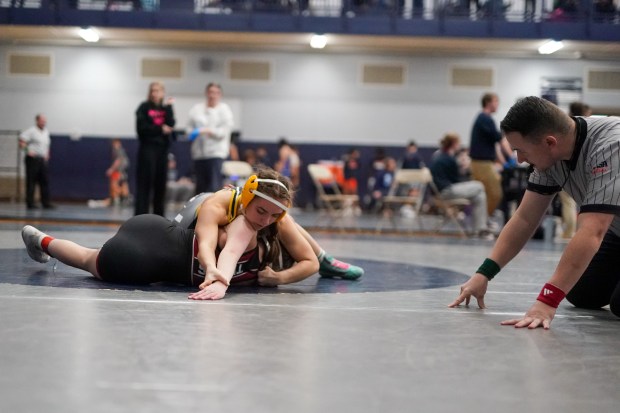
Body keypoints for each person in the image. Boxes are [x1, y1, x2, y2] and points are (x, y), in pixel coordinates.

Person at [22, 168, 363, 301]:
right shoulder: (228, 208)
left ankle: (42, 240)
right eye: (261, 211)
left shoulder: (270, 219)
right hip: (187, 222)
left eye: (274, 215)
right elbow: (215, 246)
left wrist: (278, 278)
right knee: (204, 237)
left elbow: (302, 259)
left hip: (155, 238)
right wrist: (216, 274)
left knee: (89, 258)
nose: (266, 219)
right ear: (245, 199)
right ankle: (43, 242)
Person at [449, 96, 620, 329]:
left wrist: (546, 303)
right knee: (582, 294)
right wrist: (483, 274)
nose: (519, 159)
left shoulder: (610, 146)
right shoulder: (550, 156)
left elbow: (592, 231)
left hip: (608, 229)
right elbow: (525, 218)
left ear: (549, 142)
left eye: (520, 150)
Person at [430, 133, 492, 239]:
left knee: (479, 197)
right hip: (446, 192)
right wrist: (464, 169)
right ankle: (481, 228)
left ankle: (480, 230)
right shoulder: (449, 158)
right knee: (479, 186)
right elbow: (456, 181)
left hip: (440, 192)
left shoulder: (439, 155)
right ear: (454, 144)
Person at [469, 92, 514, 218]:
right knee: (495, 194)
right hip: (481, 164)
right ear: (488, 102)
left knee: (486, 194)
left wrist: (505, 162)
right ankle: (483, 221)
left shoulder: (484, 119)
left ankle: (482, 222)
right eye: (496, 101)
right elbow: (500, 141)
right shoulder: (485, 119)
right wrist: (512, 157)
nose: (497, 104)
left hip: (483, 163)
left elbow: (495, 146)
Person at [134, 81, 175, 216]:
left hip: (162, 150)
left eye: (158, 91)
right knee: (144, 184)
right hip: (147, 149)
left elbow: (171, 124)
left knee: (161, 185)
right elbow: (141, 129)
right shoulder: (144, 107)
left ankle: (159, 218)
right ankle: (140, 217)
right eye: (153, 90)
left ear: (162, 93)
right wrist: (159, 128)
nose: (155, 93)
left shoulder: (165, 109)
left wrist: (169, 108)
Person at [186, 82, 234, 194]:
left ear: (220, 94)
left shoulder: (224, 110)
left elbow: (224, 132)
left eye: (216, 93)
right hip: (199, 154)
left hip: (215, 154)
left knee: (213, 187)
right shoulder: (196, 109)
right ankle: (199, 211)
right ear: (206, 93)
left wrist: (207, 130)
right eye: (211, 92)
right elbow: (188, 129)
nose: (213, 95)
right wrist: (194, 132)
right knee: (200, 188)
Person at [19, 113, 54, 210]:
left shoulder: (46, 132)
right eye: (42, 121)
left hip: (42, 160)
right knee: (31, 181)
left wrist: (47, 155)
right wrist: (27, 151)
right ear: (37, 121)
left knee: (44, 181)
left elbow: (46, 145)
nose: (44, 123)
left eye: (45, 121)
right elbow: (22, 141)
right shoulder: (31, 131)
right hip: (32, 159)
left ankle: (45, 203)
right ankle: (30, 203)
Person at [87, 138, 131, 208]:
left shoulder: (118, 150)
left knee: (115, 184)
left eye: (115, 143)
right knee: (122, 184)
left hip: (119, 171)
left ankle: (119, 199)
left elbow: (118, 161)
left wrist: (111, 169)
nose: (114, 145)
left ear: (118, 143)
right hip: (122, 171)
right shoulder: (121, 150)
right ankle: (122, 198)